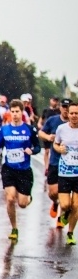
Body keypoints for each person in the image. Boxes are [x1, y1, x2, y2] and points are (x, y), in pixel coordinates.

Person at [0, 100, 40, 240]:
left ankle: (28, 198)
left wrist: (32, 150)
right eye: (13, 111)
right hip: (9, 169)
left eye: (18, 111)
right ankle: (14, 228)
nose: (15, 114)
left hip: (24, 170)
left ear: (22, 112)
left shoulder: (29, 129)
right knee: (10, 198)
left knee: (22, 204)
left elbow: (38, 147)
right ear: (10, 113)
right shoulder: (4, 129)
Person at [40, 99, 71, 227]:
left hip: (70, 164)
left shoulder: (74, 122)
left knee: (66, 192)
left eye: (68, 107)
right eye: (64, 107)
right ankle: (55, 202)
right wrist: (48, 137)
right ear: (60, 108)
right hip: (55, 161)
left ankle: (62, 216)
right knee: (53, 192)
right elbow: (41, 132)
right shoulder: (53, 120)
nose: (66, 109)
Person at [52, 100, 78, 245]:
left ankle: (70, 233)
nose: (74, 116)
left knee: (76, 205)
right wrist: (59, 149)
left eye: (77, 113)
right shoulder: (61, 129)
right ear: (68, 114)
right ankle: (65, 214)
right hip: (65, 172)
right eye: (72, 113)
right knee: (66, 204)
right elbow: (56, 144)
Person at [39, 96, 62, 169]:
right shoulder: (46, 110)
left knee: (54, 150)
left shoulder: (59, 111)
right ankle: (46, 167)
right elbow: (40, 121)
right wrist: (41, 127)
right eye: (53, 100)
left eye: (56, 101)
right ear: (50, 100)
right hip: (47, 132)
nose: (55, 102)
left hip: (55, 132)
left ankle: (53, 165)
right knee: (47, 150)